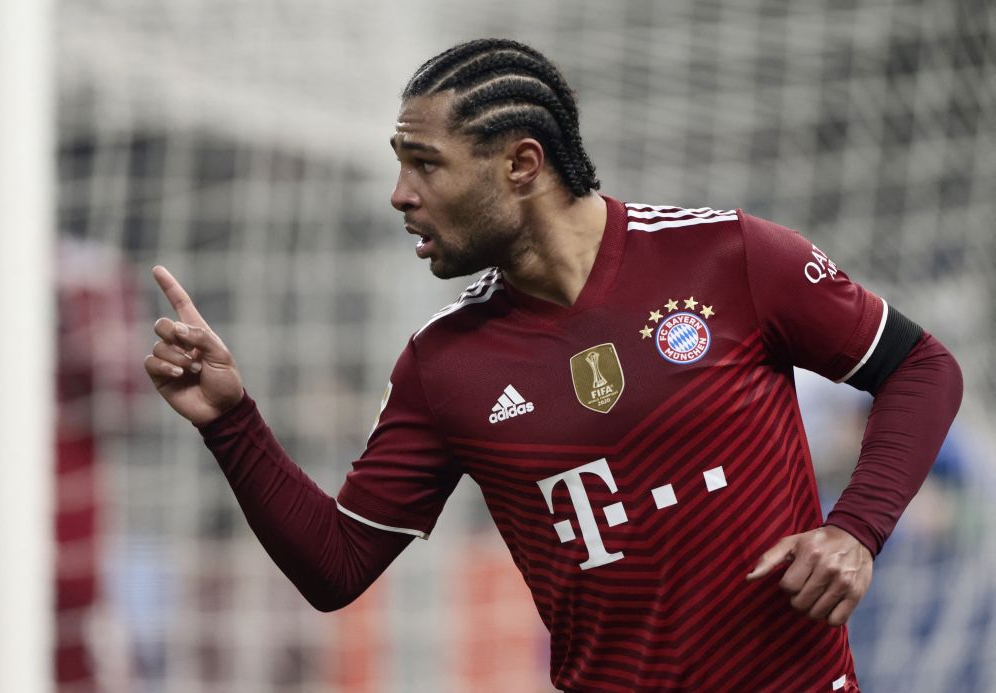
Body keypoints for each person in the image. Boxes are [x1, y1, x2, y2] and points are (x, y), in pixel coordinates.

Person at [144, 38, 963, 692]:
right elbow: (337, 565)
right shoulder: (443, 363)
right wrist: (230, 419)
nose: (399, 192)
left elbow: (923, 366)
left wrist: (856, 528)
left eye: (425, 163)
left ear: (522, 164)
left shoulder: (728, 256)